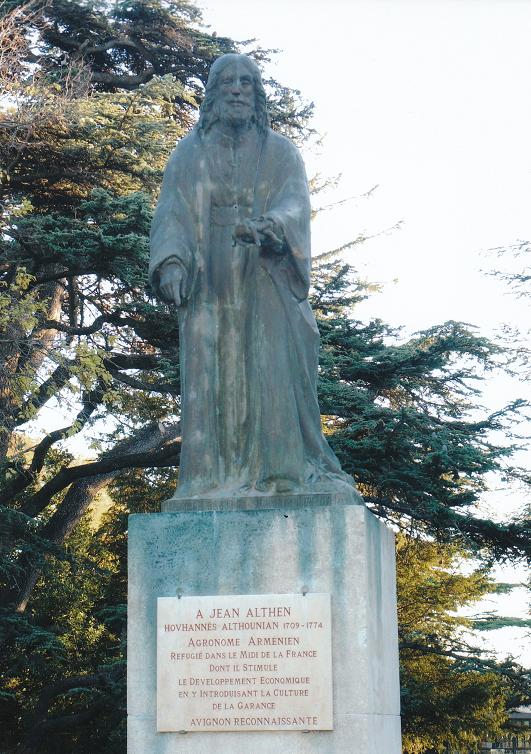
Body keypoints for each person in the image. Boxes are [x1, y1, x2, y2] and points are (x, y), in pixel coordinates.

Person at [149, 53, 356, 500]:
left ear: (257, 94)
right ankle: (208, 482)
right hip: (209, 279)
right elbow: (173, 211)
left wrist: (272, 226)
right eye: (227, 82)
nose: (237, 89)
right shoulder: (190, 152)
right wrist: (170, 262)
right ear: (214, 93)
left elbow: (295, 204)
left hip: (265, 274)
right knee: (212, 375)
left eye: (246, 82)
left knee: (272, 370)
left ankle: (283, 475)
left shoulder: (281, 151)